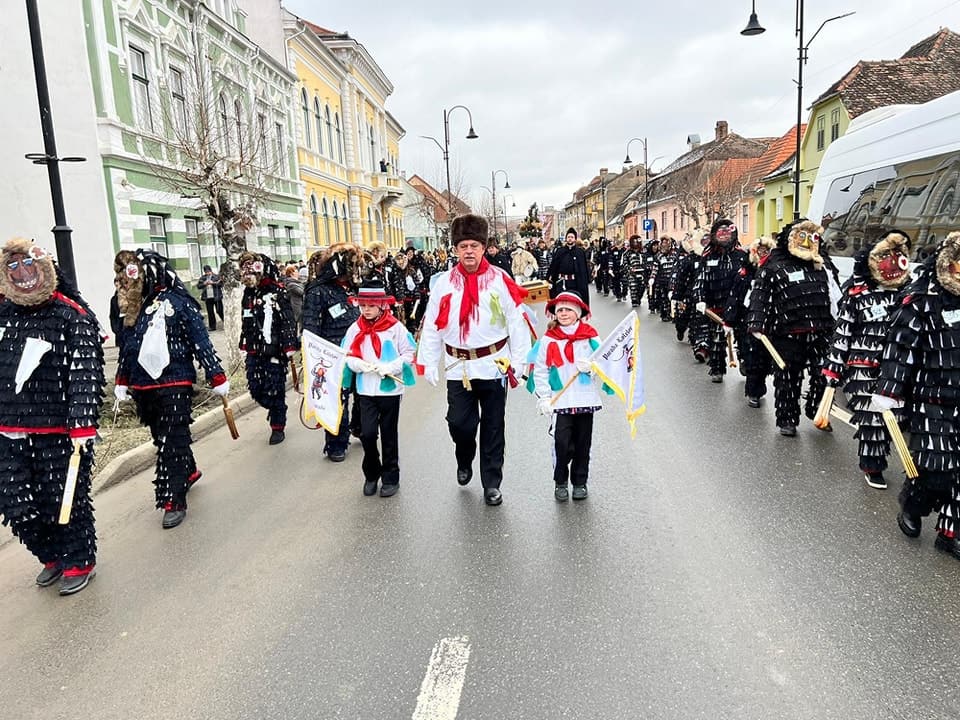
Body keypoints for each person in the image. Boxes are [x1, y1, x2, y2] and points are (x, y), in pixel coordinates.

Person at [0, 238, 105, 595]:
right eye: (12, 266)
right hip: (8, 431)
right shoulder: (3, 314)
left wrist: (82, 423)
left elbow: (84, 374)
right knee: (16, 504)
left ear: (44, 267)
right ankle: (51, 555)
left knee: (65, 500)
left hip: (59, 431)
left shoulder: (70, 315)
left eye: (27, 263)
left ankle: (78, 558)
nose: (21, 273)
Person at [416, 214, 532, 506]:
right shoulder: (443, 283)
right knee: (460, 424)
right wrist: (428, 361)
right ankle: (464, 457)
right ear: (456, 249)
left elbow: (516, 321)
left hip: (494, 364)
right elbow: (432, 324)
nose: (469, 251)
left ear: (483, 248)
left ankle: (492, 483)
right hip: (459, 367)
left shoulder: (500, 280)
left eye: (474, 245)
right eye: (463, 245)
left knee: (493, 427)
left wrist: (520, 361)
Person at [114, 249, 229, 529]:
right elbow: (128, 347)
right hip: (144, 385)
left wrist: (216, 375)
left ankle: (172, 499)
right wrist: (121, 380)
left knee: (171, 440)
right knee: (162, 437)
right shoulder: (134, 306)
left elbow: (200, 341)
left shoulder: (180, 302)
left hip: (175, 382)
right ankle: (188, 472)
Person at [874, 231, 960, 558]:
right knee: (935, 467)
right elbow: (900, 348)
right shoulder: (922, 298)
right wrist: (889, 391)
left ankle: (950, 532)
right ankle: (911, 506)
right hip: (932, 399)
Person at [823, 230, 912, 489]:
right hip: (865, 370)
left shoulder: (911, 296)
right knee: (872, 419)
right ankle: (872, 465)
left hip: (900, 368)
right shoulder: (857, 295)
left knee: (900, 417)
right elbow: (843, 333)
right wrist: (833, 371)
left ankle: (914, 468)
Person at [746, 220, 836, 437]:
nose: (806, 243)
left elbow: (836, 297)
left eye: (811, 237)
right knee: (788, 377)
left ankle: (816, 408)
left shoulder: (823, 265)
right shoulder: (772, 266)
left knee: (823, 374)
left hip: (821, 330)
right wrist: (757, 323)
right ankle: (787, 419)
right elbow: (760, 296)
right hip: (786, 334)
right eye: (801, 236)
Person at [341, 280, 416, 497]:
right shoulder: (355, 328)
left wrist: (389, 367)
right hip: (365, 390)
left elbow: (409, 353)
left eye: (371, 306)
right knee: (368, 433)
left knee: (389, 434)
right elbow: (347, 355)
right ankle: (371, 473)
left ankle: (391, 477)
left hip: (389, 390)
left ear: (381, 305)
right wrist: (360, 365)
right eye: (363, 305)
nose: (366, 310)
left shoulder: (395, 328)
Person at [532, 291, 605, 501]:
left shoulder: (589, 335)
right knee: (562, 443)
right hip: (560, 399)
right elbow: (541, 369)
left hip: (584, 399)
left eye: (568, 310)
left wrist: (591, 367)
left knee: (583, 443)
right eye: (560, 310)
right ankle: (560, 481)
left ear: (578, 313)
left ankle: (580, 481)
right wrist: (544, 397)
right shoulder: (549, 339)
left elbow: (603, 360)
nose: (563, 313)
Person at [302, 243, 361, 461]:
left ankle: (360, 427)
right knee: (338, 400)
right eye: (352, 266)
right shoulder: (318, 291)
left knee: (363, 395)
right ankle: (336, 442)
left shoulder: (354, 288)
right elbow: (310, 328)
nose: (356, 271)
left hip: (359, 351)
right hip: (332, 355)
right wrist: (312, 359)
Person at [239, 252, 298, 445]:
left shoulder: (277, 291)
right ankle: (274, 407)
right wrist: (244, 341)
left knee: (275, 387)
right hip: (254, 349)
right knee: (255, 388)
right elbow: (245, 318)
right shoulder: (248, 294)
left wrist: (289, 344)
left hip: (275, 349)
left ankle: (277, 425)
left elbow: (288, 319)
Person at [693, 219, 748, 381]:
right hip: (716, 306)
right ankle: (717, 368)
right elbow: (700, 280)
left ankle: (745, 360)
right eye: (720, 233)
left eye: (727, 233)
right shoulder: (708, 256)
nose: (724, 236)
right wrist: (700, 299)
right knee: (717, 340)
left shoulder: (742, 255)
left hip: (739, 307)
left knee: (744, 338)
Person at [724, 236, 775, 408]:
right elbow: (735, 297)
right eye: (760, 251)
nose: (763, 254)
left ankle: (758, 386)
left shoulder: (775, 271)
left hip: (769, 322)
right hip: (746, 322)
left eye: (766, 251)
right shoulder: (745, 273)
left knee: (764, 360)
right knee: (752, 356)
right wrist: (729, 322)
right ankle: (754, 392)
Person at [547, 227, 591, 304]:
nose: (570, 239)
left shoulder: (580, 252)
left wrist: (586, 280)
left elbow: (584, 269)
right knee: (561, 303)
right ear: (566, 238)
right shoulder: (560, 251)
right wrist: (549, 278)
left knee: (574, 303)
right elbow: (553, 266)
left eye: (572, 237)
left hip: (575, 283)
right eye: (568, 237)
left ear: (575, 239)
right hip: (561, 282)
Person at [197, 264, 224, 331]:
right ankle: (212, 326)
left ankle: (225, 322)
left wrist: (213, 283)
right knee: (210, 312)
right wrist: (204, 284)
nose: (207, 273)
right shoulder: (203, 278)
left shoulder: (216, 277)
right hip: (208, 297)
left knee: (219, 310)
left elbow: (221, 284)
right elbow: (198, 286)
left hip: (216, 296)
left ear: (211, 271)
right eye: (206, 272)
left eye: (208, 272)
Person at [283, 265, 305, 331]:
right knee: (300, 327)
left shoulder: (298, 282)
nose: (298, 273)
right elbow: (302, 292)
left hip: (302, 307)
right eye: (296, 272)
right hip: (298, 308)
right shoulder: (291, 285)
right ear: (291, 274)